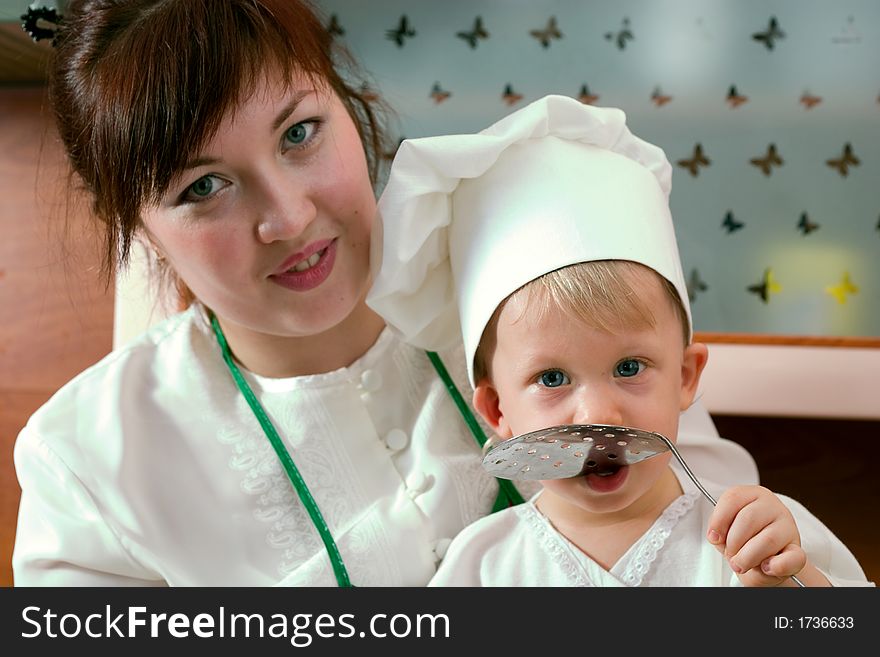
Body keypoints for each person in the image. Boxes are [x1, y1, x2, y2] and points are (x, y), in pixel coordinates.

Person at [13, 0, 757, 587]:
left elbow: (720, 545)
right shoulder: (86, 459)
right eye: (203, 186)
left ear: (350, 105)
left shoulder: (546, 306)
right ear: (133, 224)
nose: (290, 217)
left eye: (299, 133)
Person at [368, 95, 873, 587]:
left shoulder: (758, 534)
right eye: (552, 378)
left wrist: (791, 588)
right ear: (498, 411)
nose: (598, 414)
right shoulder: (481, 568)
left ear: (684, 377)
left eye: (629, 367)